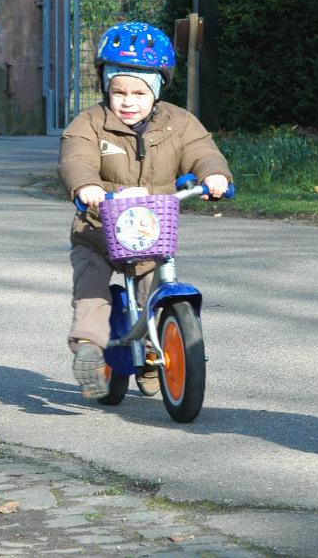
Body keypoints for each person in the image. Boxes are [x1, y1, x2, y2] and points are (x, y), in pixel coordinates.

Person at [58, 21, 232, 398]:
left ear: (156, 90)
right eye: (118, 91)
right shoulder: (90, 123)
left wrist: (214, 176)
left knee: (154, 291)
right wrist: (85, 184)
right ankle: (89, 349)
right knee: (92, 289)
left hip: (152, 235)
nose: (128, 101)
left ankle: (158, 350)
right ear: (106, 87)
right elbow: (76, 157)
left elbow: (203, 151)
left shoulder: (179, 124)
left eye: (139, 92)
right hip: (98, 232)